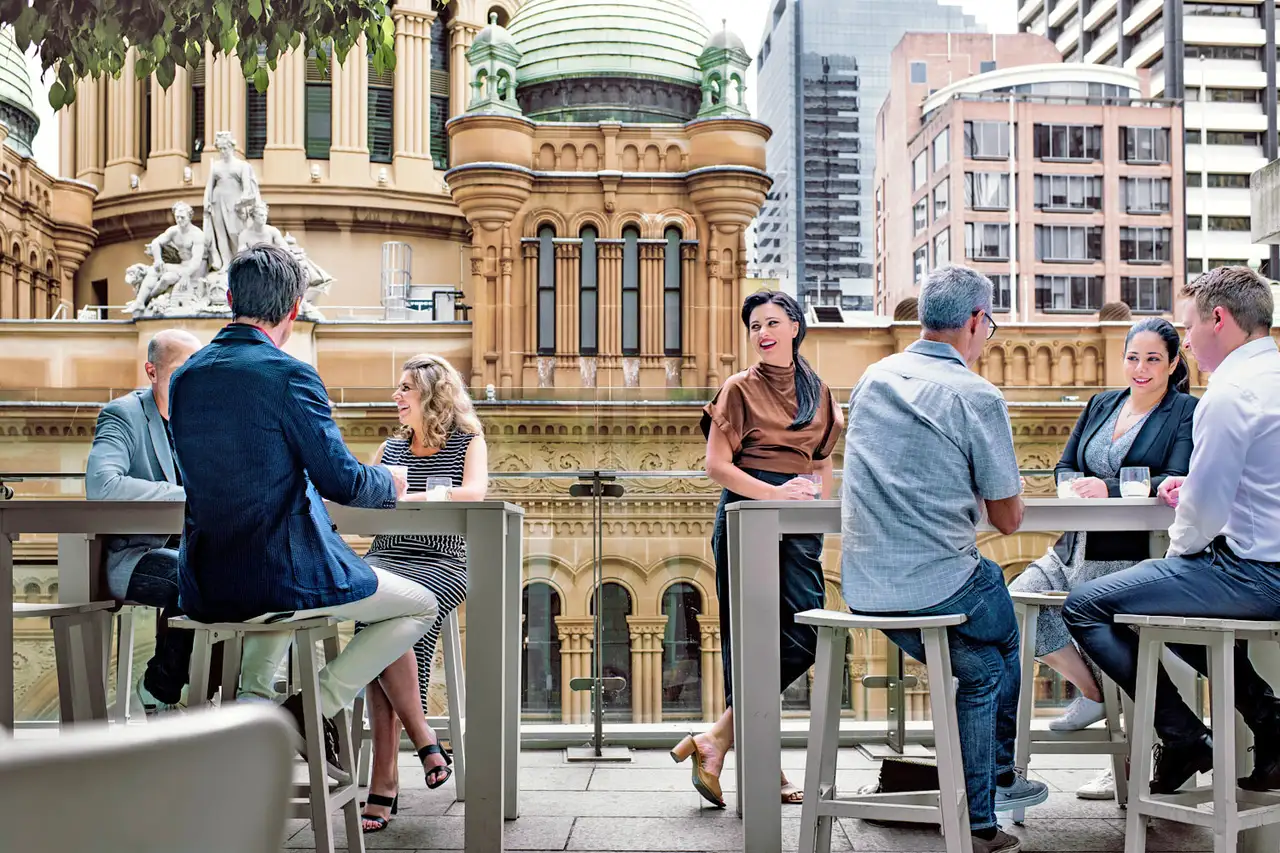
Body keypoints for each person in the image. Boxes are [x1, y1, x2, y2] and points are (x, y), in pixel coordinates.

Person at [168, 245, 438, 780]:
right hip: (279, 576)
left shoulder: (185, 377)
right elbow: (342, 480)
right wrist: (393, 478)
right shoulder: (289, 375)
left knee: (273, 617)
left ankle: (243, 760)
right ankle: (308, 709)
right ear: (294, 308)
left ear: (228, 299)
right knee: (419, 606)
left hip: (206, 581)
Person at [841, 265, 1047, 853]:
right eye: (992, 325)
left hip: (862, 587)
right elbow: (1008, 520)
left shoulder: (873, 378)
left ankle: (980, 826)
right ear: (978, 322)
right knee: (1009, 638)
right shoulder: (976, 394)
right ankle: (1003, 773)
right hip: (942, 586)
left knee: (978, 674)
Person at [1064, 266, 1280, 796]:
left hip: (1254, 575)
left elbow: (1201, 515)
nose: (1185, 340)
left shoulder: (1227, 395)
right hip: (1265, 564)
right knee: (1170, 605)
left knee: (1085, 605)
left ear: (1220, 320)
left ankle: (1184, 736)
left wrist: (1180, 556)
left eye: (1188, 327)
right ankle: (1270, 721)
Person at [1009, 317, 1197, 800]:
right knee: (1015, 597)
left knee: (1106, 638)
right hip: (1073, 544)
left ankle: (1125, 759)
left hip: (1126, 556)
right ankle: (1092, 691)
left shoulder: (1185, 412)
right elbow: (1064, 463)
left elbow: (1175, 478)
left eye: (1153, 358)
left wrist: (1108, 488)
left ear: (1173, 363)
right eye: (1133, 357)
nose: (1140, 368)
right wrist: (1074, 482)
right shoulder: (1101, 404)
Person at [671, 290, 843, 808]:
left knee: (805, 636)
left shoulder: (820, 391)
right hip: (747, 514)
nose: (762, 332)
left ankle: (717, 739)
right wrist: (775, 494)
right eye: (753, 325)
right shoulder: (737, 389)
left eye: (772, 321)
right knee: (747, 641)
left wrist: (817, 506)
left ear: (795, 326)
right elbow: (717, 466)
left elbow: (820, 462)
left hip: (800, 522)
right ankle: (765, 763)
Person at [359, 354, 489, 833]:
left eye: (406, 389)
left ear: (432, 395)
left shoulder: (466, 442)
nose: (396, 397)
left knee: (384, 629)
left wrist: (411, 496)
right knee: (380, 621)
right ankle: (424, 738)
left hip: (442, 561)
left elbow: (474, 493)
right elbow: (366, 499)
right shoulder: (389, 448)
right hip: (387, 556)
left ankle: (384, 780)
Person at [85, 329, 203, 713]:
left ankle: (210, 697)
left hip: (193, 547)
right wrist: (188, 495)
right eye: (181, 372)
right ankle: (159, 689)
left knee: (244, 574)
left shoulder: (204, 420)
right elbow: (102, 486)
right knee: (195, 576)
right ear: (152, 371)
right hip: (134, 553)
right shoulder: (123, 415)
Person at [202, 130, 261, 270]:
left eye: (225, 148)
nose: (223, 151)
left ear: (231, 147)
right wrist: (206, 202)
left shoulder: (242, 165)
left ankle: (240, 261)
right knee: (220, 233)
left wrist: (243, 204)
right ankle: (226, 263)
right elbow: (209, 186)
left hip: (235, 202)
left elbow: (247, 188)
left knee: (236, 232)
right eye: (220, 148)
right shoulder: (216, 166)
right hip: (217, 201)